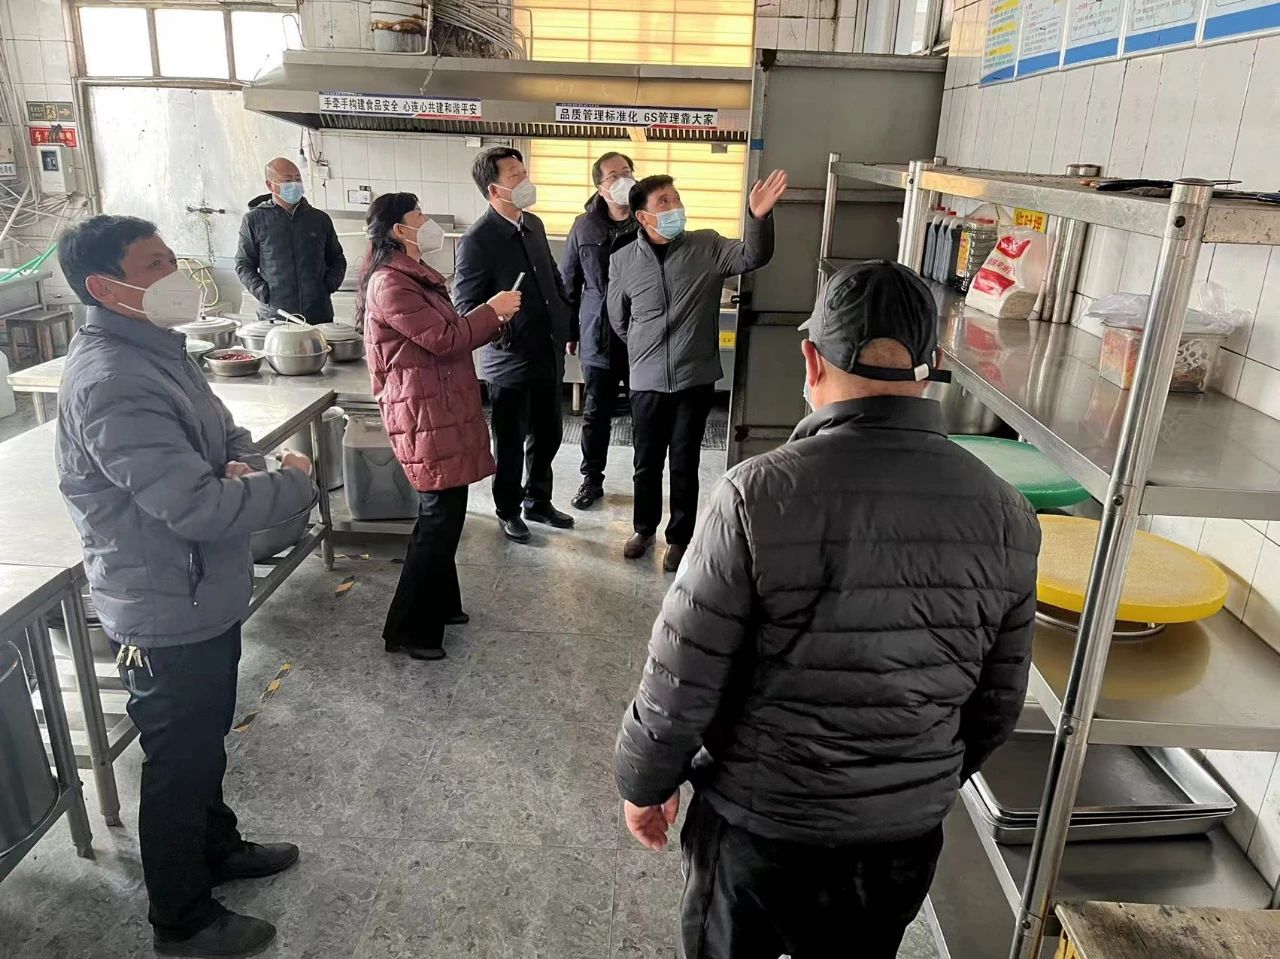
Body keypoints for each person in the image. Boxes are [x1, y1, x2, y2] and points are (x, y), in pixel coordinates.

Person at [614, 261, 1040, 959]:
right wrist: (907, 782)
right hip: (897, 847)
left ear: (811, 361)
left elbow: (681, 680)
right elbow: (997, 704)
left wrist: (645, 781)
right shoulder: (1008, 514)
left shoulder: (754, 495)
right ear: (930, 369)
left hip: (759, 830)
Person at [55, 215, 319, 957]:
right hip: (164, 602)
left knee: (204, 742)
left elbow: (225, 435)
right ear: (105, 287)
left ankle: (217, 847)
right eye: (153, 265)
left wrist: (244, 468)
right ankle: (181, 919)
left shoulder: (156, 349)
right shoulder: (112, 380)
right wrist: (292, 482)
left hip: (200, 588)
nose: (173, 276)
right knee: (179, 761)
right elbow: (195, 505)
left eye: (171, 259)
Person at [358, 192, 520, 660]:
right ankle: (409, 630)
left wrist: (495, 318)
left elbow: (447, 334)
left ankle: (443, 606)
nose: (428, 222)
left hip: (438, 408)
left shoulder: (415, 275)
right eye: (419, 216)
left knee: (448, 513)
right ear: (398, 230)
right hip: (422, 413)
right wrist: (492, 310)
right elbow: (445, 339)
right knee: (438, 518)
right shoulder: (391, 283)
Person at [608, 170, 787, 572]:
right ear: (643, 217)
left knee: (684, 460)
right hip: (646, 379)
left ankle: (679, 537)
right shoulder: (622, 260)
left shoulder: (706, 245)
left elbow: (753, 256)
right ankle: (643, 529)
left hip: (694, 377)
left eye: (676, 198)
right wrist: (644, 348)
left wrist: (758, 218)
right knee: (645, 462)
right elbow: (618, 319)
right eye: (664, 202)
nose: (675, 206)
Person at [452, 146, 575, 544]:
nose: (526, 182)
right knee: (509, 441)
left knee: (549, 434)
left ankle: (538, 499)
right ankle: (508, 508)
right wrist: (505, 326)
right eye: (515, 177)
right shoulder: (477, 240)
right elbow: (465, 307)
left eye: (525, 173)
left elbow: (552, 276)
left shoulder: (533, 224)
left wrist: (565, 319)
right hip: (510, 361)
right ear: (494, 190)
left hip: (548, 351)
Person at [559, 151, 640, 510]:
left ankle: (645, 481)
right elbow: (569, 281)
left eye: (628, 172)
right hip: (598, 334)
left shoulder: (648, 220)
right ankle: (591, 480)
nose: (624, 180)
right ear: (600, 187)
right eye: (614, 176)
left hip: (643, 335)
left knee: (646, 413)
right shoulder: (584, 226)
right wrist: (569, 331)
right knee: (596, 413)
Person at [235, 156, 346, 325]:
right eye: (287, 180)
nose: (295, 184)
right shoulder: (254, 220)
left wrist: (328, 286)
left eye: (298, 179)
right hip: (276, 315)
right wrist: (262, 291)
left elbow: (337, 258)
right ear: (270, 185)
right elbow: (243, 263)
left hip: (318, 313)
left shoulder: (319, 219)